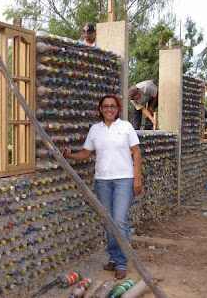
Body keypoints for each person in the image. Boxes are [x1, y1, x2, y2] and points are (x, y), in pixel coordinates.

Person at [61, 94, 142, 280]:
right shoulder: (94, 130)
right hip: (103, 181)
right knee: (108, 220)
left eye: (112, 106)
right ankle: (113, 258)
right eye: (105, 106)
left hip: (124, 180)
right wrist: (70, 155)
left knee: (119, 221)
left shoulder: (126, 127)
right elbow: (86, 153)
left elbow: (136, 153)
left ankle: (121, 263)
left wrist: (137, 178)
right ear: (100, 109)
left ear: (118, 108)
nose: (109, 109)